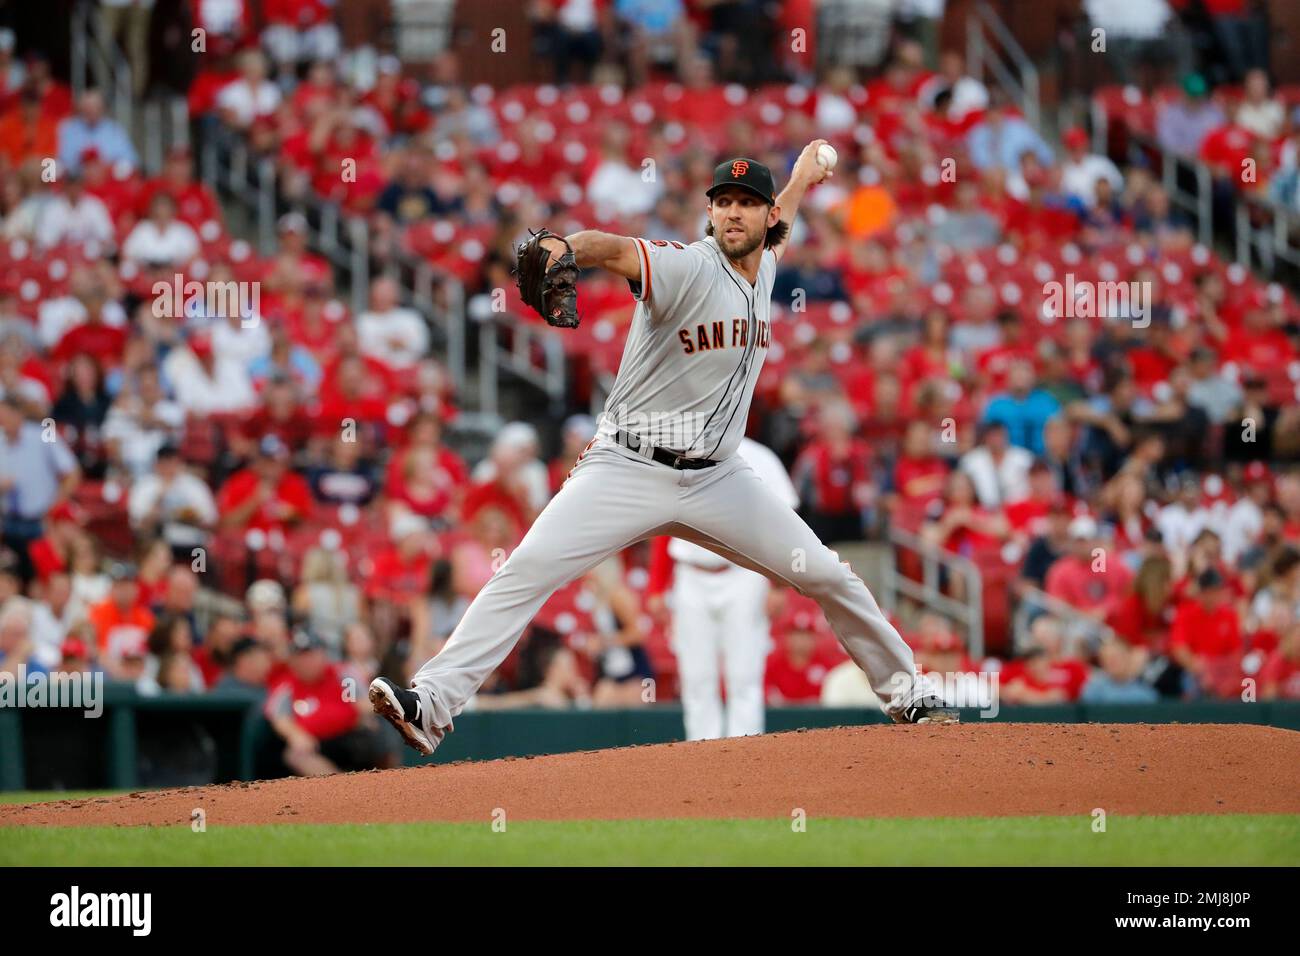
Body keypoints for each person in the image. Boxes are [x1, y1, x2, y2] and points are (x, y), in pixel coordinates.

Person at [370, 147, 955, 757]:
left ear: (765, 220)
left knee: (829, 573)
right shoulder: (687, 268)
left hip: (718, 480)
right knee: (526, 569)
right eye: (723, 202)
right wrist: (568, 247)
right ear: (708, 211)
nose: (734, 213)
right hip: (627, 466)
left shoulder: (769, 266)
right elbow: (618, 248)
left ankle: (906, 692)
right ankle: (430, 702)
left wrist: (805, 174)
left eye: (747, 204)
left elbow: (784, 217)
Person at [663, 436, 798, 740]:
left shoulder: (759, 456)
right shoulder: (675, 450)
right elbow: (660, 521)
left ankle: (746, 756)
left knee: (744, 676)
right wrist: (658, 586)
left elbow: (783, 521)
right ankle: (702, 755)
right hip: (690, 573)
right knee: (697, 678)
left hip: (744, 572)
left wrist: (778, 583)